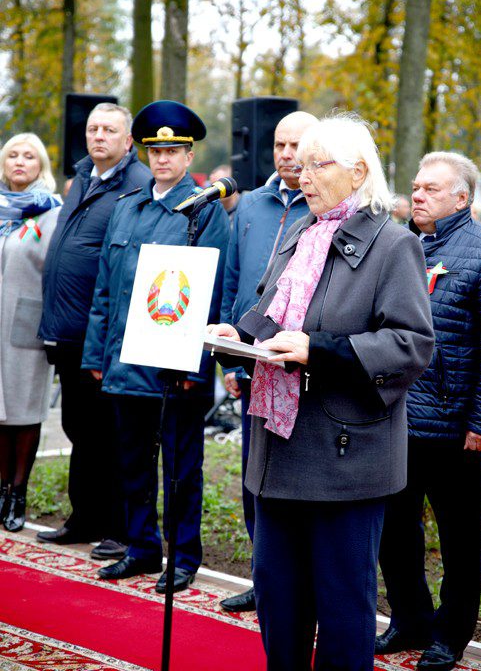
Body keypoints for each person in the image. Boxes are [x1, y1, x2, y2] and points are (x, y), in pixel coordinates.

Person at [209, 114, 434, 670]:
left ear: (358, 172)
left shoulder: (394, 245)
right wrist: (237, 338)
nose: (302, 175)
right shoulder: (300, 234)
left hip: (345, 459)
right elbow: (271, 319)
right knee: (279, 603)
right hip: (277, 452)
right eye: (300, 165)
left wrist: (322, 350)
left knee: (341, 610)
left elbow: (412, 345)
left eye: (317, 165)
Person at [377, 152, 481, 671]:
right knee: (394, 530)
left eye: (431, 189)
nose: (417, 195)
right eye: (416, 186)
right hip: (394, 417)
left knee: (459, 538)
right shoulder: (400, 245)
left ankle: (450, 634)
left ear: (461, 198)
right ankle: (409, 619)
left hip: (452, 424)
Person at [82, 100, 230, 591]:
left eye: (173, 151)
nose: (162, 159)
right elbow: (106, 288)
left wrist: (196, 364)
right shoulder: (127, 208)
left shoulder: (205, 212)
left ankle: (183, 557)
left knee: (181, 468)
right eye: (155, 151)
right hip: (125, 361)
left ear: (189, 156)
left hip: (174, 367)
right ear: (145, 153)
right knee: (132, 463)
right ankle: (141, 547)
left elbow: (212, 294)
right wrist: (97, 354)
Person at [37, 103, 151, 559]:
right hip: (69, 331)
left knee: (111, 433)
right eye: (93, 128)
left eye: (109, 130)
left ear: (128, 140)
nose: (98, 136)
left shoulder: (138, 183)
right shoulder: (83, 176)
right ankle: (83, 517)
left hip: (103, 333)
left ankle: (119, 527)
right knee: (78, 427)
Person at [219, 110, 317, 613]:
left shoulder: (322, 209)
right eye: (280, 145)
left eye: (297, 145)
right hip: (248, 359)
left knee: (293, 482)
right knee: (252, 476)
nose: (287, 154)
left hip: (298, 367)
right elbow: (232, 282)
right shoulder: (251, 205)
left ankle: (295, 584)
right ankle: (264, 577)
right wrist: (228, 361)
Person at [0, 133, 61, 532]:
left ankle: (18, 492)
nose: (20, 161)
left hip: (27, 324)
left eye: (29, 156)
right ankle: (0, 488)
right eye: (12, 155)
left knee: (24, 411)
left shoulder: (51, 212)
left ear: (41, 165)